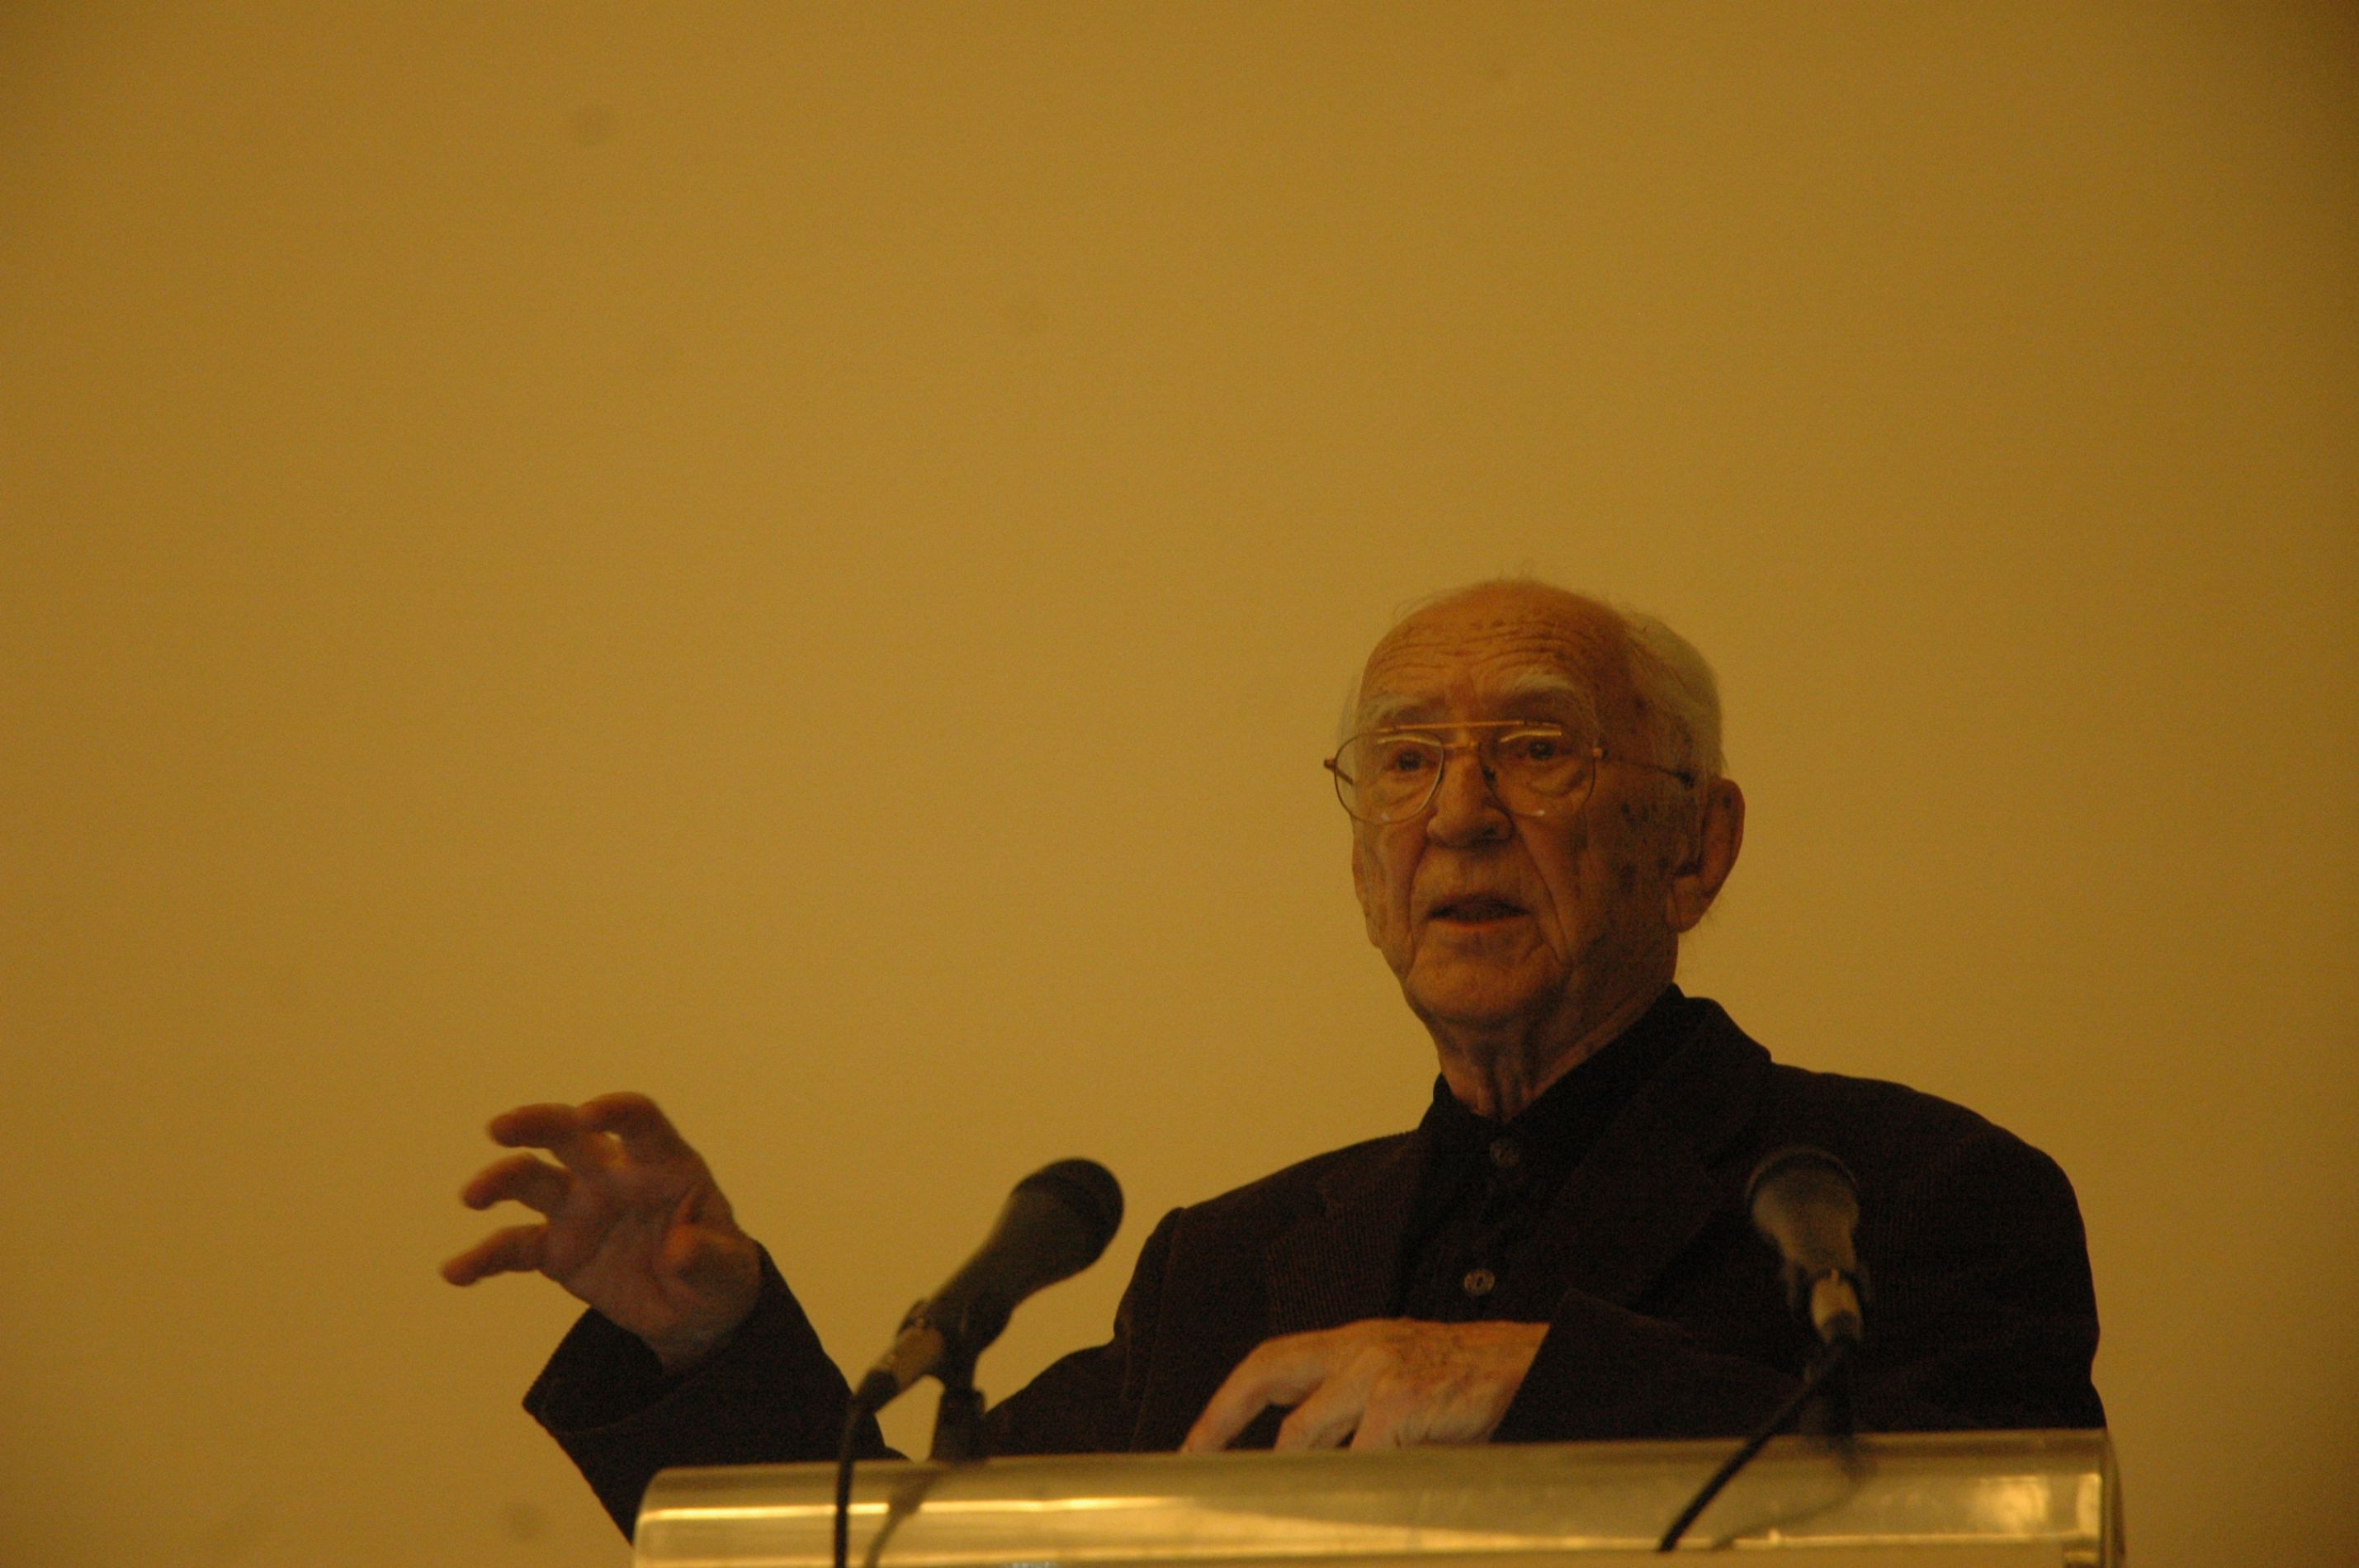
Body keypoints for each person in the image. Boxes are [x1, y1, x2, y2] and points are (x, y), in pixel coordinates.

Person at [444, 580, 2104, 1537]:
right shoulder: (1226, 1270)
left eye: (1534, 746)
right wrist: (707, 1340)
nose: (1459, 810)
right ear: (1363, 860)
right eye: (1403, 761)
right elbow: (914, 1554)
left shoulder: (1905, 1198)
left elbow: (1991, 1524)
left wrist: (1535, 1379)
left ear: (1696, 845)